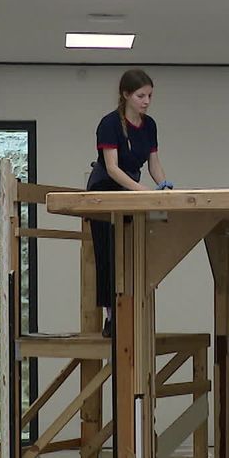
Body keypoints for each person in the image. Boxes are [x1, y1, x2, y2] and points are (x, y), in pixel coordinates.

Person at [87, 69, 172, 337]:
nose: (146, 101)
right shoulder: (110, 123)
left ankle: (134, 307)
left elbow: (153, 163)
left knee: (134, 247)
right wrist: (141, 190)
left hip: (132, 188)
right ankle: (111, 314)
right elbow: (112, 168)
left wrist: (163, 186)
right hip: (106, 189)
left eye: (149, 96)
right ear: (126, 95)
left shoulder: (150, 125)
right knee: (108, 250)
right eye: (140, 96)